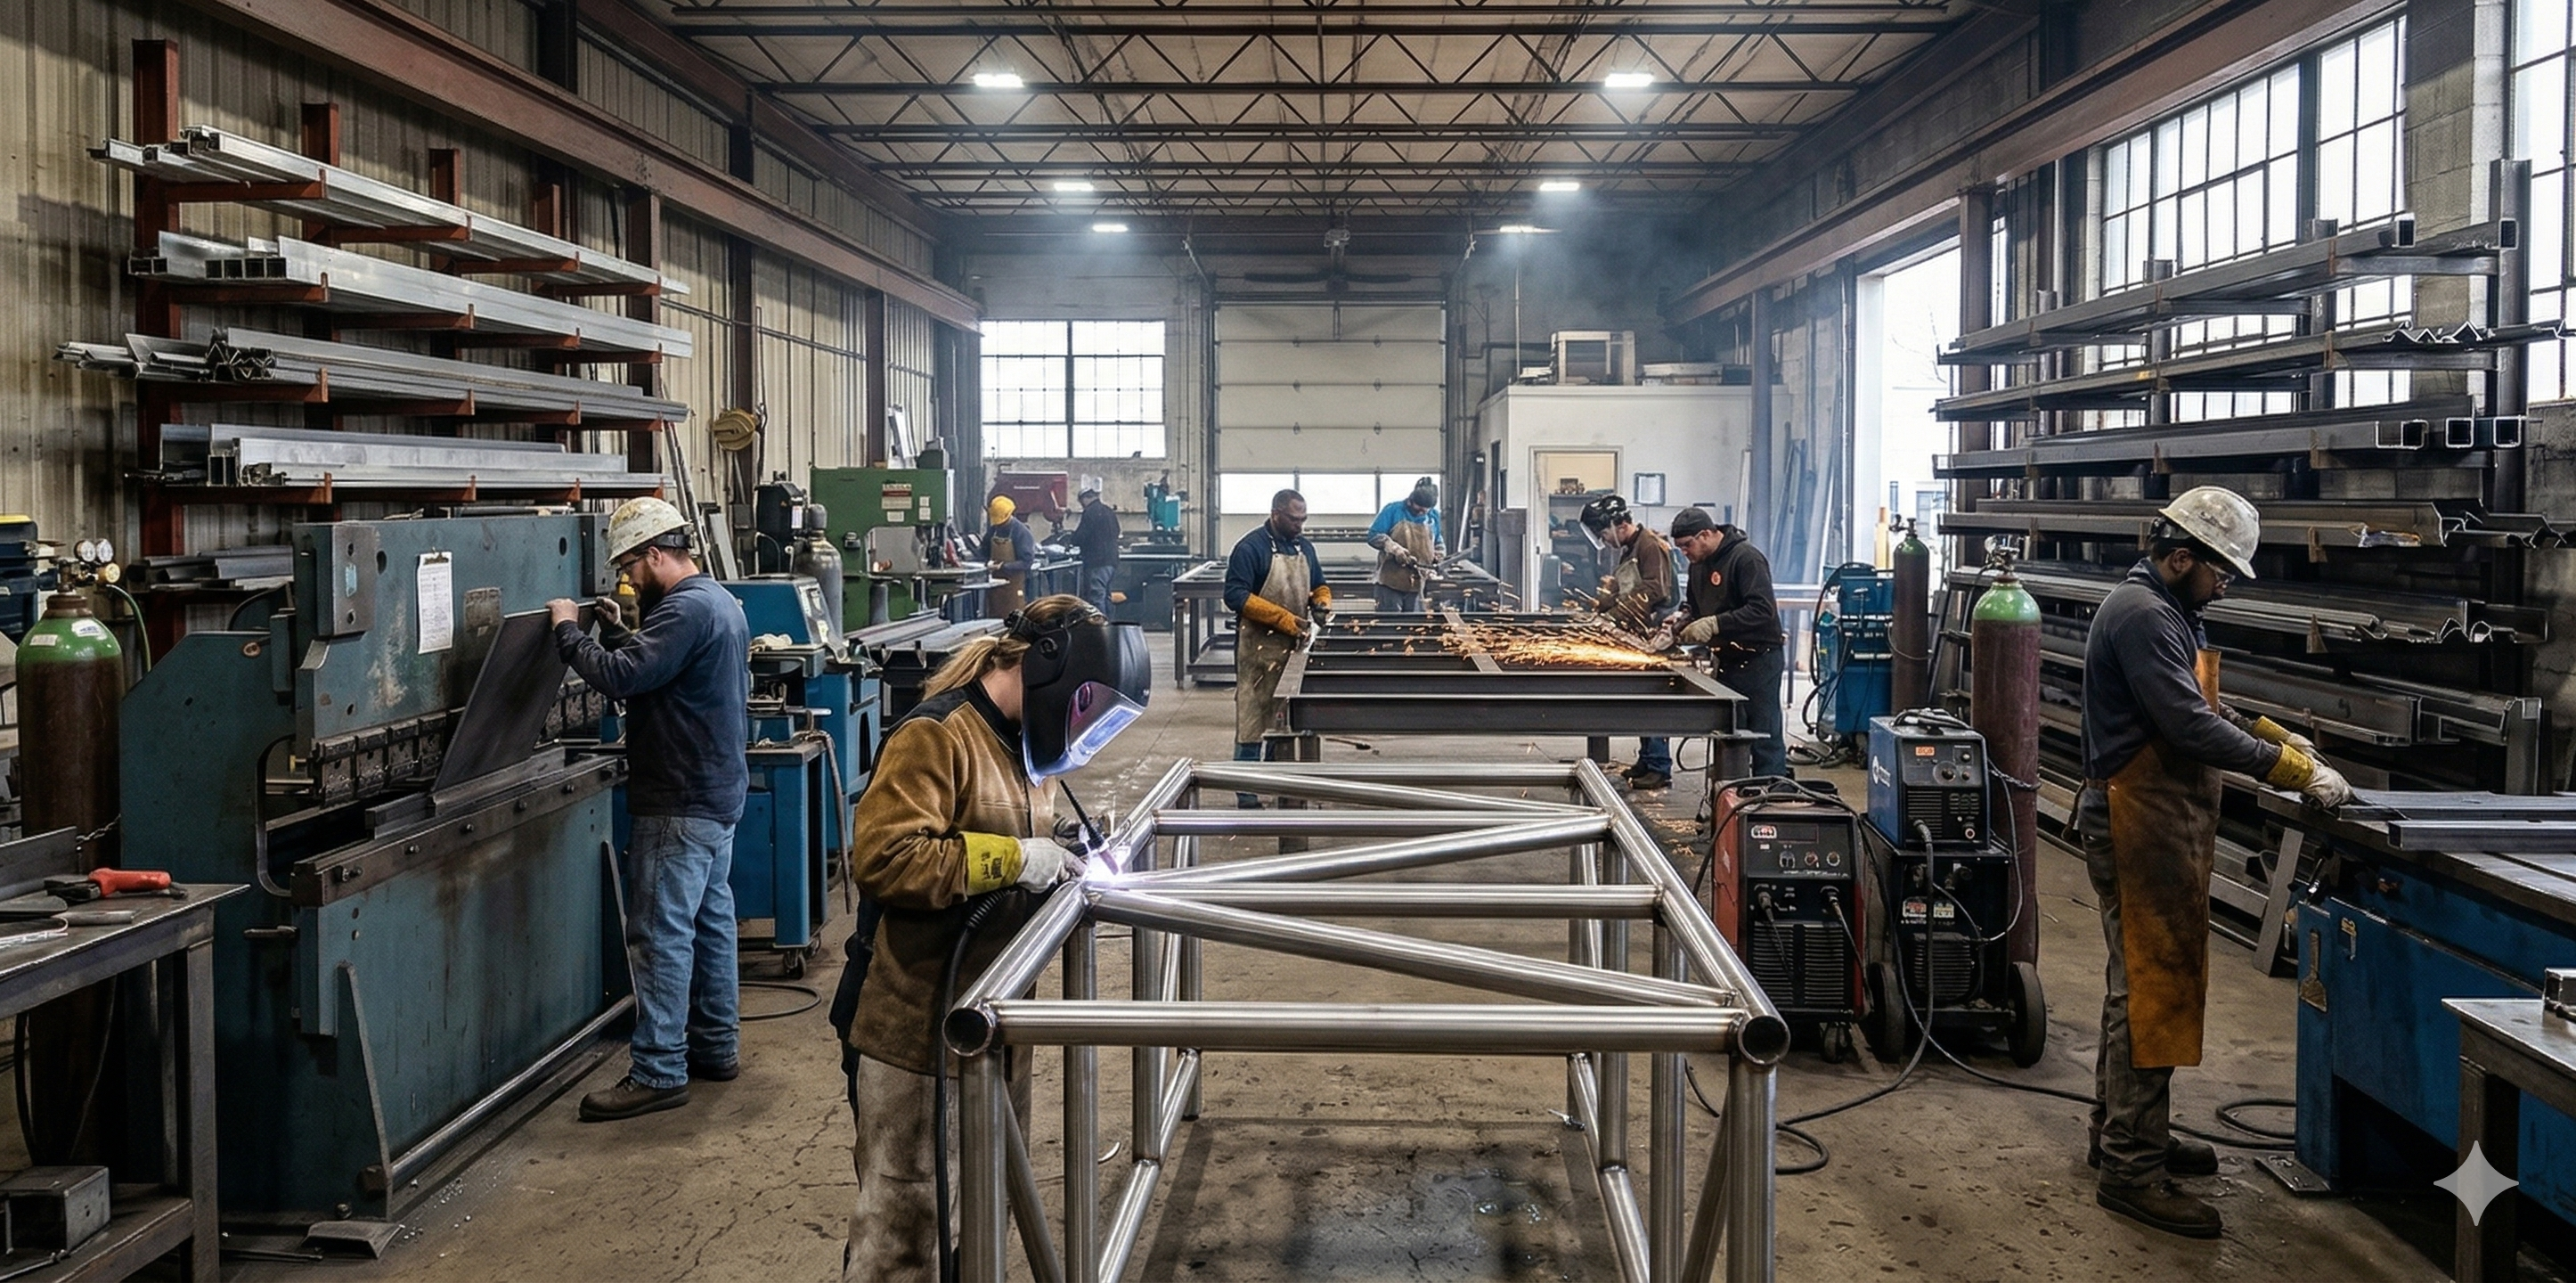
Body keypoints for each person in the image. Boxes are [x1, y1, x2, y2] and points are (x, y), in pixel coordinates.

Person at [838, 593, 1149, 1282]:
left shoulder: (1022, 749)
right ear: (1048, 667)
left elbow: (1003, 834)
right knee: (905, 1236)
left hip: (990, 1026)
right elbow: (886, 859)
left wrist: (1060, 845)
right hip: (919, 1030)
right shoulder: (939, 735)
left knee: (976, 1218)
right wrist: (1015, 859)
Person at [2074, 486, 2352, 1238]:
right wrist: (2286, 772)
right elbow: (2186, 724)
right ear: (2179, 556)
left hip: (2152, 819)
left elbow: (2204, 709)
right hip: (2140, 821)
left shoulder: (2163, 611)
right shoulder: (2142, 616)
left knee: (2133, 985)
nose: (2227, 584)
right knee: (2151, 990)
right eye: (2222, 569)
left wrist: (2282, 742)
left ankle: (2122, 1134)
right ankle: (2132, 1170)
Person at [546, 496, 750, 1122]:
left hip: (680, 798)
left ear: (658, 553)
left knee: (661, 936)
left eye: (631, 565)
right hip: (715, 793)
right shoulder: (716, 600)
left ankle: (659, 1069)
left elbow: (624, 678)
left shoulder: (685, 610)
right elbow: (660, 666)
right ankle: (715, 1046)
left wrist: (566, 631)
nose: (627, 578)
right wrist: (612, 628)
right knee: (710, 924)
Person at [1660, 508, 1789, 780]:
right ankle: (1733, 791)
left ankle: (1770, 794)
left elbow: (1762, 609)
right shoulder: (1698, 566)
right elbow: (1694, 607)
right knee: (1731, 729)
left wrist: (1715, 624)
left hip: (1759, 658)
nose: (1684, 552)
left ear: (1705, 534)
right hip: (1728, 659)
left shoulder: (1746, 559)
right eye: (1680, 548)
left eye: (1687, 545)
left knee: (1762, 732)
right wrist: (1681, 621)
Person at [1224, 489, 1329, 806]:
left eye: (1303, 520)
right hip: (1258, 649)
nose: (1300, 526)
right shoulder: (1251, 547)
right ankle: (1246, 793)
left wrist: (1322, 601)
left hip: (1293, 648)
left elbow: (1318, 584)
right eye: (1294, 520)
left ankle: (1269, 777)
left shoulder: (1304, 547)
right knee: (1253, 720)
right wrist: (1281, 618)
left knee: (1281, 720)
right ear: (1276, 514)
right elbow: (1235, 595)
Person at [1578, 494, 1675, 789]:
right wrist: (1602, 606)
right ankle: (1648, 758)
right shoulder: (1630, 548)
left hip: (1654, 634)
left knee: (1652, 700)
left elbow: (1655, 590)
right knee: (1640, 699)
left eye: (1605, 533)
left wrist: (1617, 613)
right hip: (1635, 632)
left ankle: (1659, 766)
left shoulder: (1649, 545)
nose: (1604, 540)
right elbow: (1625, 588)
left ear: (1620, 525)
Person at [1365, 476, 1446, 612]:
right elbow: (1373, 535)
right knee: (1390, 626)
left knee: (1414, 626)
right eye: (1418, 508)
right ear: (1410, 501)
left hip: (1418, 583)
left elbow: (1438, 540)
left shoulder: (1433, 516)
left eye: (1425, 510)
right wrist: (1395, 549)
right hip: (1390, 582)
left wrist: (1439, 553)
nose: (1421, 512)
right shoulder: (1393, 510)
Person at [1067, 480, 1123, 615]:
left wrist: (1072, 540)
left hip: (1097, 561)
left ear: (1085, 499)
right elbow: (1117, 531)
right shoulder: (1108, 511)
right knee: (1106, 596)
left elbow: (1082, 535)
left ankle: (1100, 628)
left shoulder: (1090, 512)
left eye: (1081, 502)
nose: (1082, 506)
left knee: (1096, 596)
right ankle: (1110, 627)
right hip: (1112, 560)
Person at [982, 494, 1037, 619]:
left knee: (1015, 617)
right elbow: (983, 552)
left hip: (1014, 585)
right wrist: (986, 564)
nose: (999, 525)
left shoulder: (1021, 532)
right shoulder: (993, 530)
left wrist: (1004, 566)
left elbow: (1027, 561)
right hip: (994, 587)